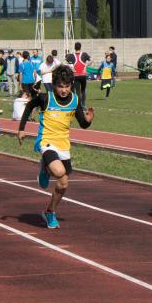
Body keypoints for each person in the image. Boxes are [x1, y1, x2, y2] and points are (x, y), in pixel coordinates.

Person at [17, 65, 94, 228]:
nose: (64, 90)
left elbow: (82, 124)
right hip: (46, 141)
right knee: (59, 172)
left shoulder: (75, 100)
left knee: (64, 183)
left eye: (67, 86)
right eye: (60, 86)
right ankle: (46, 167)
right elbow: (29, 106)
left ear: (71, 85)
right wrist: (21, 129)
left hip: (63, 144)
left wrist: (88, 120)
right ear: (53, 85)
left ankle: (50, 211)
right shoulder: (46, 98)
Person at [66, 42, 91, 107]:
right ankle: (83, 105)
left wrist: (72, 68)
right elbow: (91, 60)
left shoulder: (71, 55)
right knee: (83, 90)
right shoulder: (84, 54)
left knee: (77, 91)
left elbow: (67, 63)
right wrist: (85, 66)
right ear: (80, 47)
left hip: (76, 75)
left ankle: (78, 105)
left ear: (74, 47)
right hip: (83, 75)